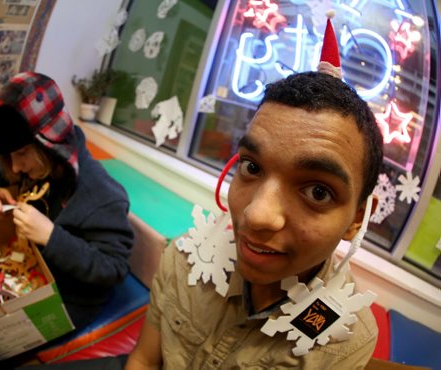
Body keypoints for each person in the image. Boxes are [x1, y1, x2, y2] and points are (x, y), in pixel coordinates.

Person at [125, 16, 384, 368]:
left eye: (318, 192)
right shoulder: (186, 259)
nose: (256, 215)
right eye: (252, 167)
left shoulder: (345, 338)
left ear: (357, 219)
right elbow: (143, 359)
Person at [0, 72, 134, 331]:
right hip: (33, 273)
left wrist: (51, 236)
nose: (15, 167)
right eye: (8, 156)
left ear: (50, 143)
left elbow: (113, 269)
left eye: (22, 153)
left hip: (72, 299)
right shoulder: (31, 163)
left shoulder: (101, 196)